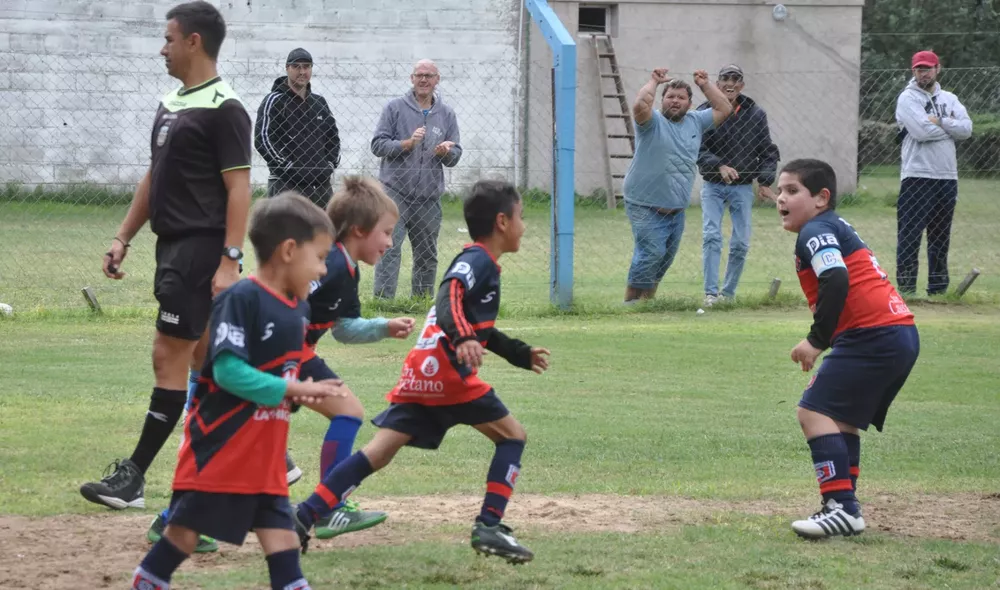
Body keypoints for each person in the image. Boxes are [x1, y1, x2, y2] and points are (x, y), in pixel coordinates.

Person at [291, 180, 550, 564]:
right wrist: (462, 338)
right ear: (502, 222)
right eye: (522, 217)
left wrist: (519, 353)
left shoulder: (475, 262)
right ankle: (489, 526)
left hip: (421, 374)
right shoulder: (476, 260)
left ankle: (305, 514)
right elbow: (449, 295)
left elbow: (480, 328)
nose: (524, 226)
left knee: (378, 452)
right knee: (513, 436)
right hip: (446, 373)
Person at [82, 3, 253, 553]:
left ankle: (133, 476)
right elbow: (155, 177)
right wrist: (123, 236)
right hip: (170, 248)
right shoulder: (172, 104)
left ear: (195, 42)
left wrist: (230, 259)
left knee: (168, 353)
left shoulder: (226, 109)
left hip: (201, 249)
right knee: (208, 361)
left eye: (168, 38)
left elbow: (239, 190)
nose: (162, 48)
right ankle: (264, 453)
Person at [130, 193, 341, 590]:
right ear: (289, 250)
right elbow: (228, 372)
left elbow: (278, 379)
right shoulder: (240, 299)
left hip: (265, 457)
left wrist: (295, 395)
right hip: (220, 451)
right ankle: (147, 581)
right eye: (320, 256)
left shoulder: (298, 311)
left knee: (284, 548)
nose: (323, 269)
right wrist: (288, 387)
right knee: (184, 536)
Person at [775, 159, 919, 539]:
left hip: (873, 335)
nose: (780, 198)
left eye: (792, 191)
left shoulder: (816, 230)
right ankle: (841, 504)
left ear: (822, 198)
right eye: (779, 190)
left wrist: (816, 340)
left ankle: (842, 508)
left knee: (812, 412)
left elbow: (835, 277)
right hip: (896, 333)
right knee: (840, 420)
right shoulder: (829, 226)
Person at [295, 176, 417, 539]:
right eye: (387, 232)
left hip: (298, 354)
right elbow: (288, 292)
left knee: (347, 413)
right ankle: (329, 506)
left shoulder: (346, 268)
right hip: (280, 353)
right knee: (238, 438)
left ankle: (329, 505)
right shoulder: (329, 261)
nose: (390, 242)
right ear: (360, 230)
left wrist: (383, 326)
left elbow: (343, 328)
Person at [622, 68, 732, 303]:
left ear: (690, 103)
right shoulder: (651, 122)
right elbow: (640, 106)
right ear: (662, 100)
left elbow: (724, 108)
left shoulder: (696, 121)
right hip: (644, 201)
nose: (675, 101)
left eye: (681, 97)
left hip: (676, 206)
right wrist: (653, 81)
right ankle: (631, 302)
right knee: (651, 252)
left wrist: (705, 85)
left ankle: (647, 304)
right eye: (670, 96)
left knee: (664, 258)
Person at [371, 59, 462, 300]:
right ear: (411, 79)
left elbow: (456, 154)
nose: (424, 80)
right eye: (419, 75)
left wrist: (447, 152)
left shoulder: (447, 114)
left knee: (426, 254)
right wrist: (407, 144)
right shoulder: (395, 108)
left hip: (429, 196)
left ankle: (421, 302)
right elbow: (378, 145)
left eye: (429, 75)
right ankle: (383, 302)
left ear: (437, 80)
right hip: (395, 194)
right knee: (389, 249)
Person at [696, 64, 780, 306]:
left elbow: (767, 150)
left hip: (743, 187)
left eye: (735, 79)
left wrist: (764, 181)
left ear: (741, 85)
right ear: (718, 84)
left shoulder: (755, 114)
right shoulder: (704, 112)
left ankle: (728, 295)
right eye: (725, 79)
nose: (730, 83)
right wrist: (719, 165)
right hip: (712, 184)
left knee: (741, 242)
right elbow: (697, 149)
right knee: (712, 236)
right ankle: (711, 294)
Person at [894, 50, 972, 296]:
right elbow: (921, 133)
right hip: (917, 176)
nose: (923, 73)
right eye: (919, 69)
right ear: (913, 71)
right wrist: (950, 126)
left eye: (927, 68)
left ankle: (938, 290)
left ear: (938, 69)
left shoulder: (950, 98)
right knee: (910, 235)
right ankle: (907, 290)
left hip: (947, 177)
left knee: (940, 236)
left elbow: (967, 128)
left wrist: (940, 122)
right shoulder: (907, 98)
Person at [255, 47, 342, 209]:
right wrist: (289, 168)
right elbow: (263, 139)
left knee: (323, 233)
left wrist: (329, 165)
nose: (302, 71)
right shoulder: (274, 101)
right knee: (286, 234)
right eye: (297, 67)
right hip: (285, 186)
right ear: (287, 68)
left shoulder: (319, 103)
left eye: (307, 66)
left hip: (320, 188)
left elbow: (333, 138)